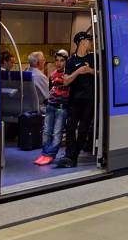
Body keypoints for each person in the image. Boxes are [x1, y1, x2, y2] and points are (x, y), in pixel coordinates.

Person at [56, 32, 95, 168]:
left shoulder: (93, 58)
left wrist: (90, 71)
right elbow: (66, 81)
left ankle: (73, 156)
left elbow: (102, 74)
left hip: (89, 100)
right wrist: (78, 71)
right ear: (82, 42)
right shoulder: (71, 61)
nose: (91, 43)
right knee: (70, 127)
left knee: (83, 129)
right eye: (89, 40)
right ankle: (70, 155)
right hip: (74, 100)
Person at [35, 50, 69, 166]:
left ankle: (50, 154)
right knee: (46, 131)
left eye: (62, 61)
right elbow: (51, 89)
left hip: (61, 107)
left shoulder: (68, 75)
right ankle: (45, 152)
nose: (59, 63)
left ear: (66, 61)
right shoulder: (53, 74)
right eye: (57, 60)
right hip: (51, 105)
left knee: (57, 132)